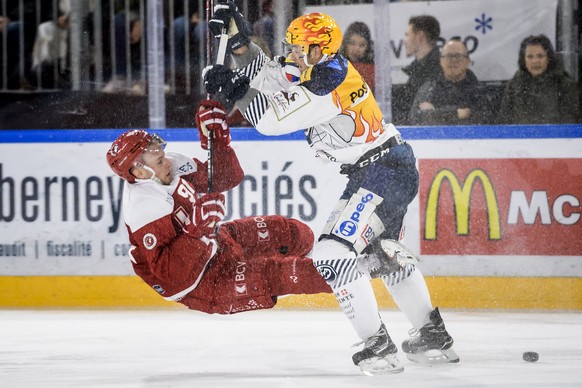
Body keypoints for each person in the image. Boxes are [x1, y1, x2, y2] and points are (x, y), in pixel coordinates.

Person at [202, 7, 458, 375]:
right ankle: (432, 336)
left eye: (299, 48)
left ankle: (377, 346)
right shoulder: (312, 68)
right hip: (386, 167)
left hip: (382, 170)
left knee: (330, 253)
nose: (291, 54)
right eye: (291, 47)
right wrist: (241, 45)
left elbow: (272, 120)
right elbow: (271, 75)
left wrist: (235, 90)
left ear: (320, 49)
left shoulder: (329, 82)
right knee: (382, 253)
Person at [105, 100, 331, 315]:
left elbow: (225, 179)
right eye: (159, 161)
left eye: (162, 155)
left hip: (215, 241)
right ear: (140, 173)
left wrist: (218, 143)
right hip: (202, 284)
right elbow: (172, 276)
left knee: (293, 233)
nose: (167, 162)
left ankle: (334, 263)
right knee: (278, 273)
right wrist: (196, 229)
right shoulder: (143, 206)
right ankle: (348, 274)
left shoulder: (169, 166)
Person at [499, 34, 579, 124]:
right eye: (530, 56)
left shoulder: (563, 84)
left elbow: (570, 124)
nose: (535, 61)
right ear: (523, 59)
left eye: (540, 56)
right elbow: (504, 122)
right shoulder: (514, 86)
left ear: (548, 58)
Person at [409, 39, 485, 125]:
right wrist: (457, 113)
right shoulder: (429, 88)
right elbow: (417, 118)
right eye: (449, 56)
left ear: (468, 60)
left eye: (458, 56)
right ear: (441, 61)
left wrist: (436, 113)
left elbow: (482, 117)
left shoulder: (477, 89)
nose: (453, 60)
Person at [394, 15, 442, 124]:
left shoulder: (437, 70)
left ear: (420, 37)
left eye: (408, 35)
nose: (405, 41)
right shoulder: (420, 69)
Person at [339, 21, 375, 91]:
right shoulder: (336, 66)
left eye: (362, 45)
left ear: (368, 48)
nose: (356, 49)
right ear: (345, 44)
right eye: (352, 43)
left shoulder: (373, 70)